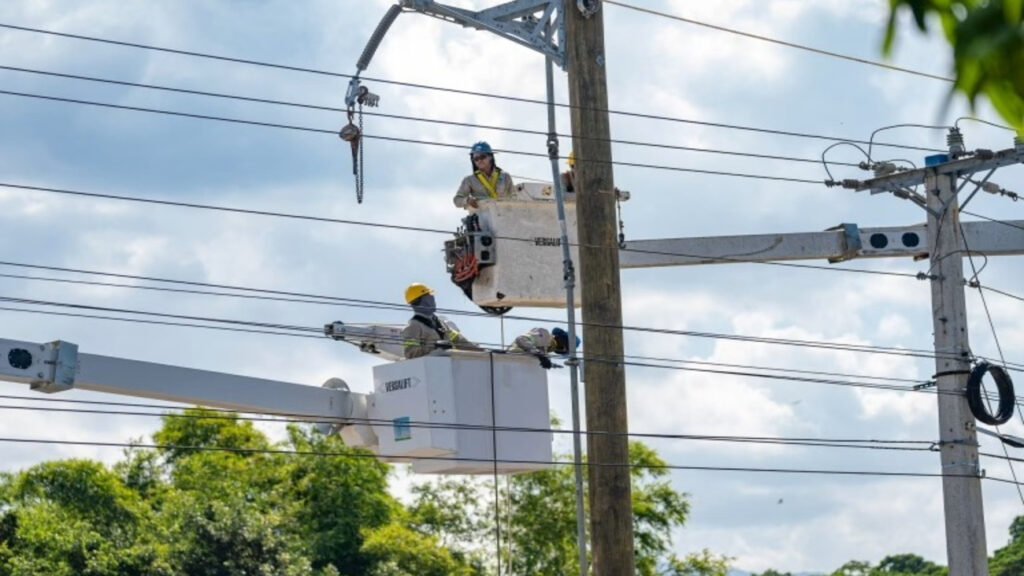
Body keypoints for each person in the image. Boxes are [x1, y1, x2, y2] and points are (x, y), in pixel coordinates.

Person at [401, 283, 482, 359]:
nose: (433, 300)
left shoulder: (441, 324)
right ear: (420, 301)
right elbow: (411, 353)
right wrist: (435, 347)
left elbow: (461, 342)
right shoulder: (413, 327)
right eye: (429, 297)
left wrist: (482, 351)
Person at [453, 141, 516, 210]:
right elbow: (457, 200)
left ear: (490, 157)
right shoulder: (469, 180)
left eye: (482, 157)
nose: (479, 160)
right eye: (476, 159)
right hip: (483, 215)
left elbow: (515, 198)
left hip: (505, 214)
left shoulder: (505, 177)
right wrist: (467, 200)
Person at [509, 326, 579, 369]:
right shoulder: (544, 335)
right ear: (561, 339)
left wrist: (551, 364)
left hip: (517, 366)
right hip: (511, 357)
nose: (561, 350)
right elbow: (521, 339)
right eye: (562, 347)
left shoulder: (545, 351)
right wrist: (540, 355)